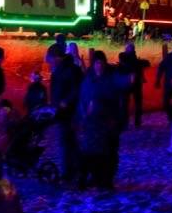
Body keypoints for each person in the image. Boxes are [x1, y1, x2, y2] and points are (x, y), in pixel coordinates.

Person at [78, 51, 126, 188]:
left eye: (101, 62)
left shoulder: (110, 78)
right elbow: (82, 99)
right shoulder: (88, 80)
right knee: (92, 152)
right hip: (92, 124)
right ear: (93, 64)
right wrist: (84, 115)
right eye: (96, 62)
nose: (99, 65)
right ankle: (95, 177)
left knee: (109, 153)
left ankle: (107, 180)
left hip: (108, 123)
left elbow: (120, 87)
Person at [50, 46, 84, 181]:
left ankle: (71, 171)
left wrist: (66, 101)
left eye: (51, 58)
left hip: (69, 112)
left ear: (58, 57)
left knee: (68, 142)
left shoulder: (70, 70)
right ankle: (72, 169)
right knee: (67, 142)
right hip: (61, 111)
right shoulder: (59, 70)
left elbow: (76, 89)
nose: (50, 61)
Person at [116, 42, 150, 128]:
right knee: (124, 104)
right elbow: (132, 63)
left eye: (131, 48)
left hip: (136, 83)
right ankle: (125, 122)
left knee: (137, 103)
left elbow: (146, 63)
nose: (130, 50)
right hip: (126, 82)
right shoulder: (122, 56)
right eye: (129, 48)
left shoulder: (132, 57)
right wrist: (139, 63)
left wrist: (138, 63)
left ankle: (137, 122)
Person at [155, 43, 172, 121]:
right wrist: (158, 80)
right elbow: (161, 68)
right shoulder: (168, 57)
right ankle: (171, 115)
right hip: (168, 83)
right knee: (166, 103)